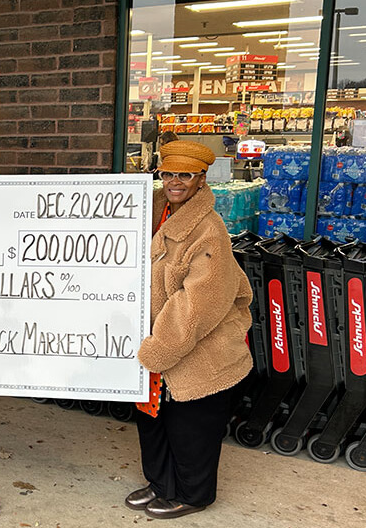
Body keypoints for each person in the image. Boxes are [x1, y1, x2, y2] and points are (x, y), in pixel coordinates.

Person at [125, 140, 253, 519]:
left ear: (201, 179)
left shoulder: (209, 232)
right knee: (154, 418)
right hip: (155, 339)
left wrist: (160, 347)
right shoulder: (155, 213)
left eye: (185, 175)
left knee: (190, 425)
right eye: (168, 173)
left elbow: (198, 303)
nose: (175, 181)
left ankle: (194, 494)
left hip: (197, 349)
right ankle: (162, 484)